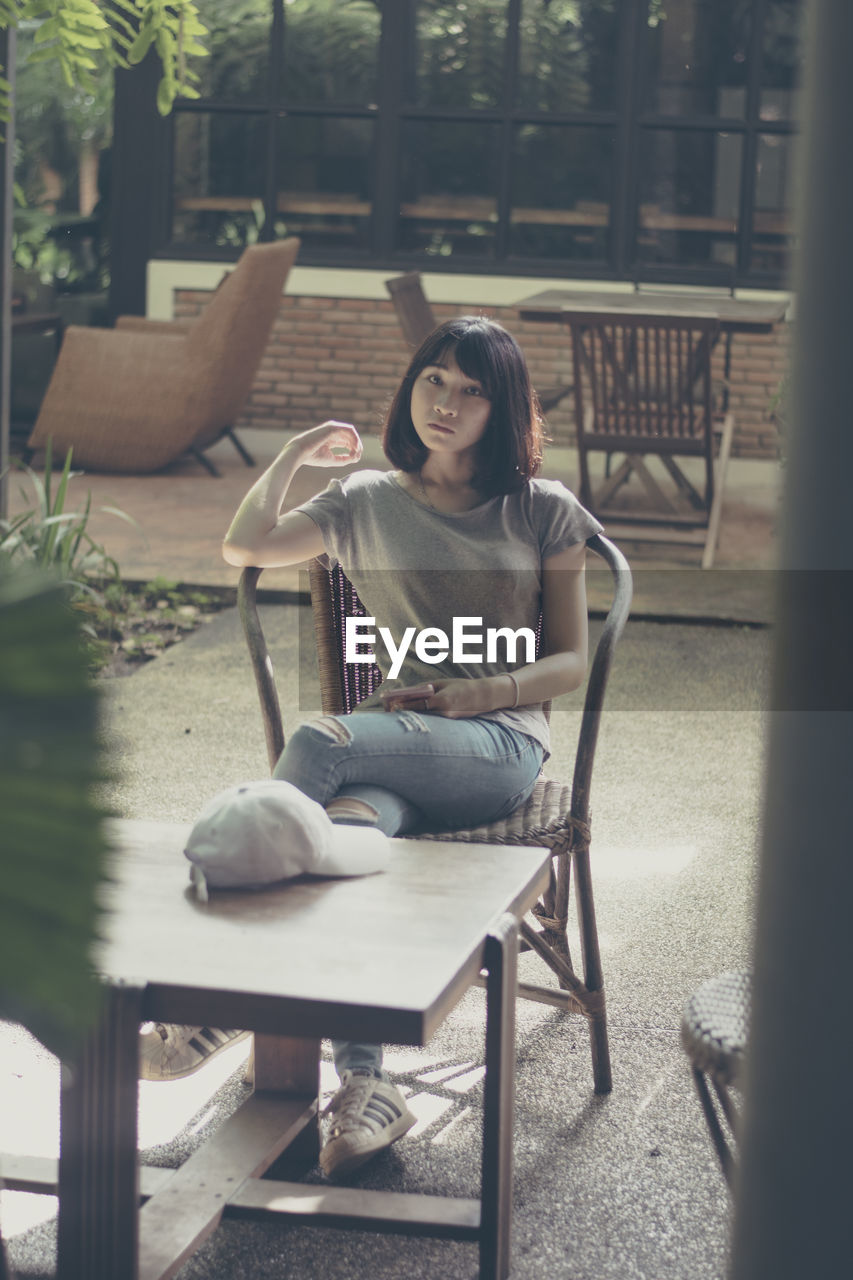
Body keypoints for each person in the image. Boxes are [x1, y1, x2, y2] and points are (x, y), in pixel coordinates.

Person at [219, 315, 602, 1179]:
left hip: (498, 747)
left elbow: (571, 660)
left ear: (501, 412)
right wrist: (293, 455)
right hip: (395, 753)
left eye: (473, 391)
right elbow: (244, 545)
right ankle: (363, 1090)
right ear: (411, 386)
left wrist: (479, 693)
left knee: (321, 738)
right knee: (347, 847)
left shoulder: (542, 508)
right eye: (435, 379)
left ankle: (230, 981)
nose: (448, 403)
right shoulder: (362, 500)